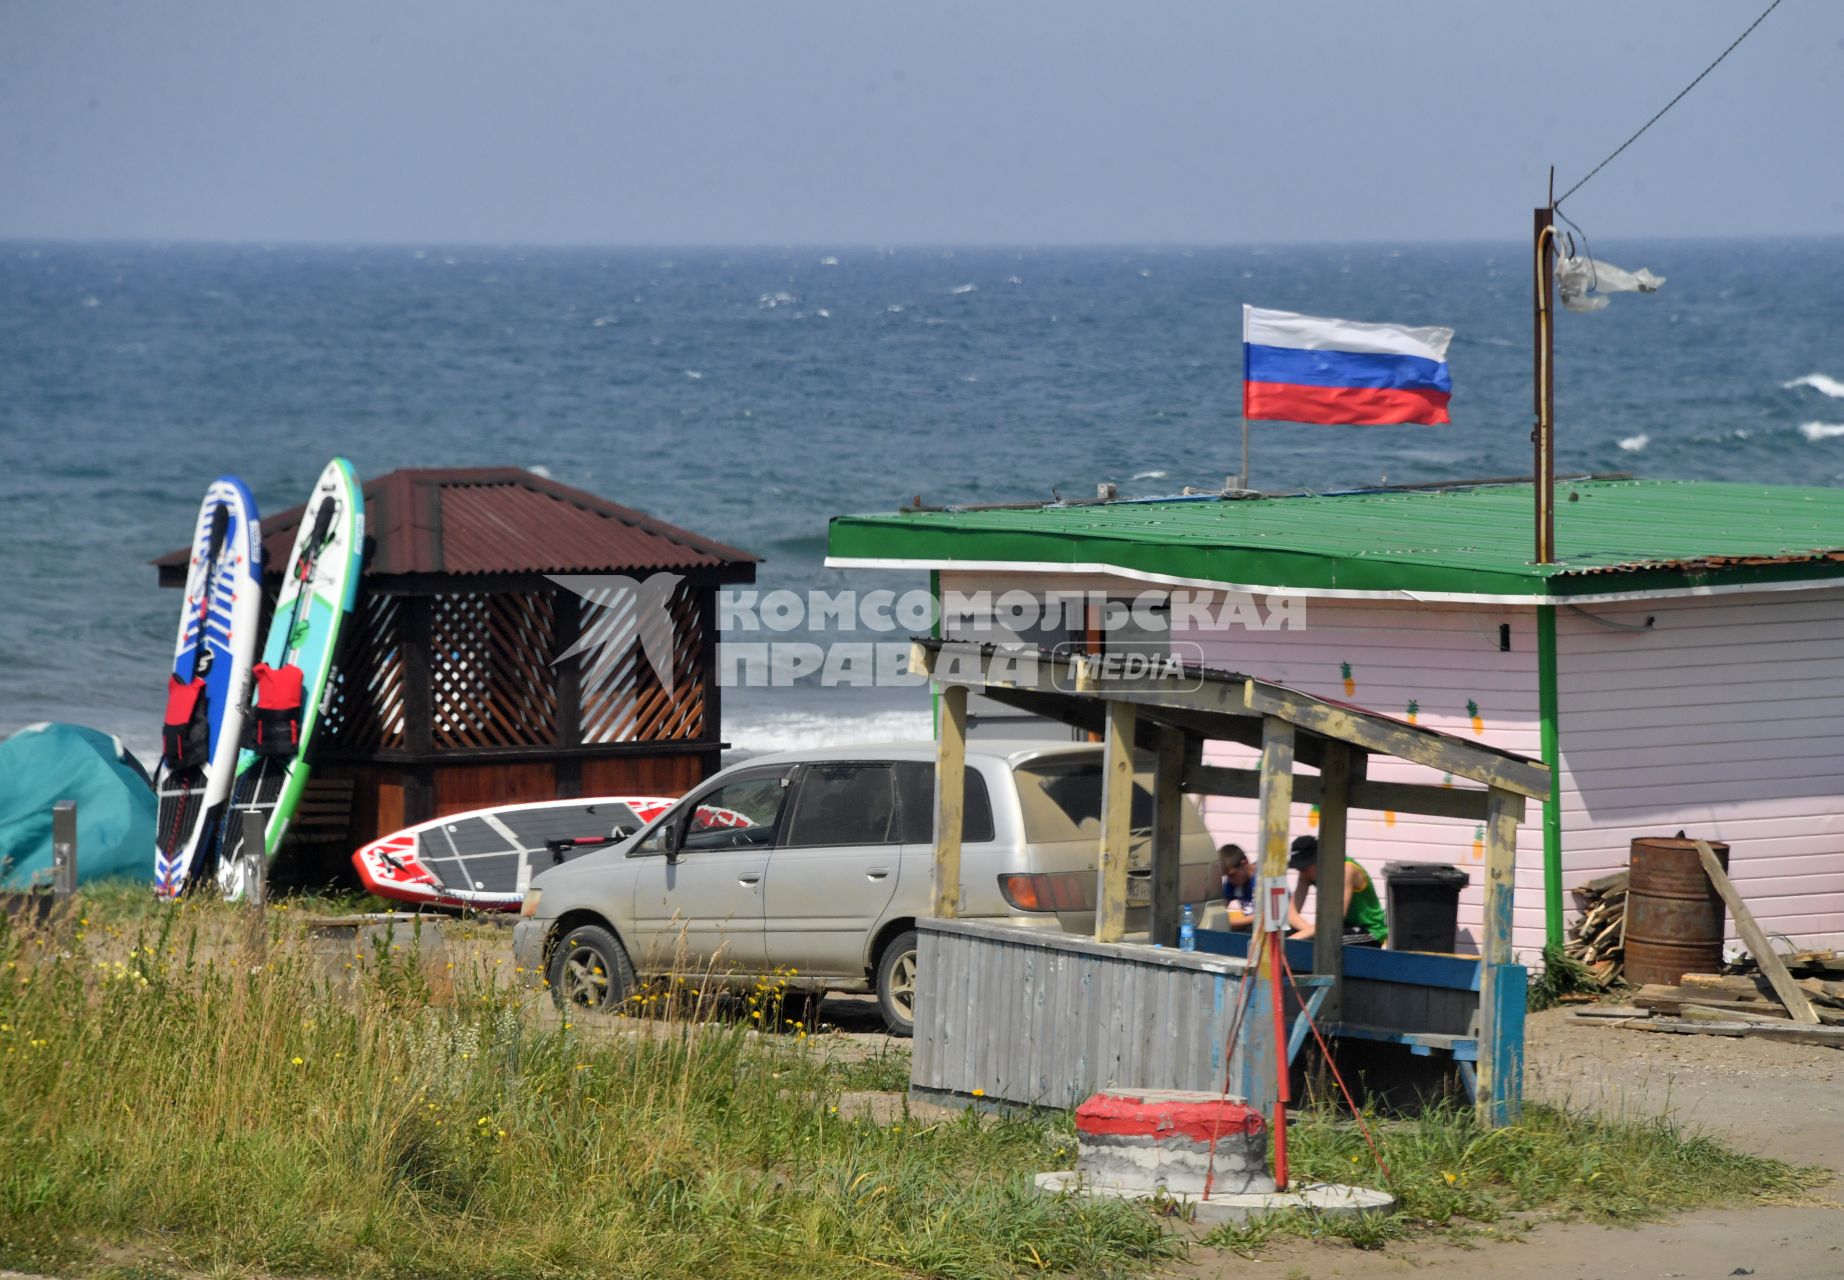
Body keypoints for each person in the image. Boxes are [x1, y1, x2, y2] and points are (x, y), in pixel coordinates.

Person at [1285, 835, 1388, 946]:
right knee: (1285, 934)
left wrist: (1299, 938)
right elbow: (1291, 914)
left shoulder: (1346, 870)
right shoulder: (1307, 873)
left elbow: (1335, 920)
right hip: (1340, 928)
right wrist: (1307, 933)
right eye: (1299, 868)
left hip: (1368, 930)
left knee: (1321, 942)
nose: (1302, 872)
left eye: (1304, 867)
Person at [1218, 843, 1255, 930]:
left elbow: (1268, 916)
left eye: (1232, 875)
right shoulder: (1231, 884)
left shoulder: (1264, 880)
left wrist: (1232, 922)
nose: (1230, 880)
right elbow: (1221, 908)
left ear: (1244, 863)